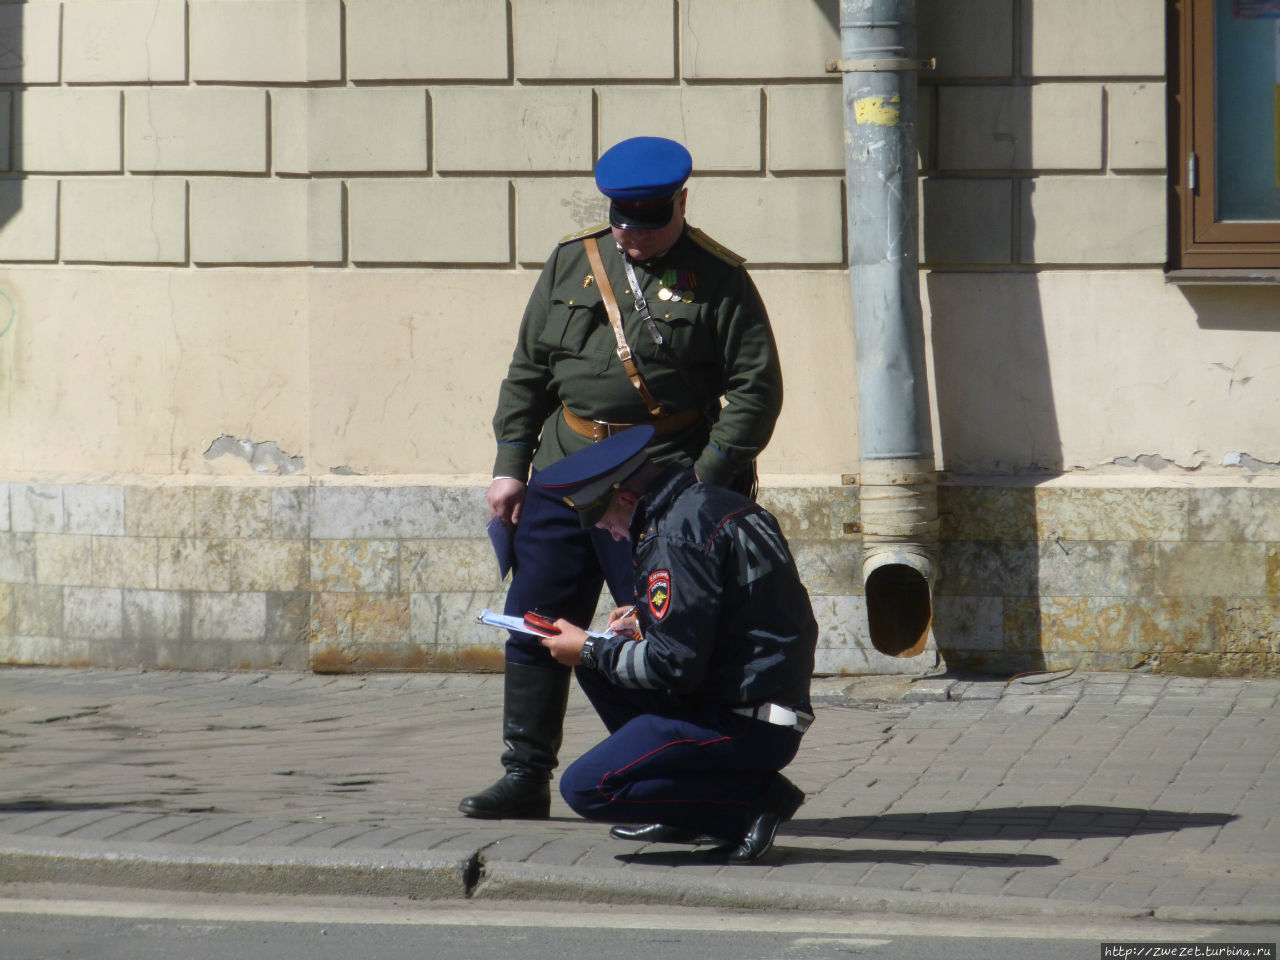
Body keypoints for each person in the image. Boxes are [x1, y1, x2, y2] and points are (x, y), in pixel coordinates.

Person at [460, 136, 784, 820]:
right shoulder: (572, 261)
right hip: (565, 468)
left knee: (658, 634)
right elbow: (528, 372)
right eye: (623, 222)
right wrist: (510, 467)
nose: (633, 237)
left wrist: (699, 487)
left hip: (658, 486)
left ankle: (671, 776)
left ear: (681, 204)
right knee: (534, 619)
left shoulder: (720, 278)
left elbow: (756, 392)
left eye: (650, 222)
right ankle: (524, 774)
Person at [532, 424, 817, 862]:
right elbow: (733, 610)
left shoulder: (672, 535)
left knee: (587, 787)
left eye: (605, 522)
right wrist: (644, 618)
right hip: (762, 704)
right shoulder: (710, 504)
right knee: (597, 672)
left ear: (628, 499)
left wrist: (589, 648)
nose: (611, 534)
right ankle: (685, 808)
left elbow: (675, 665)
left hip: (746, 722)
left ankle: (750, 805)